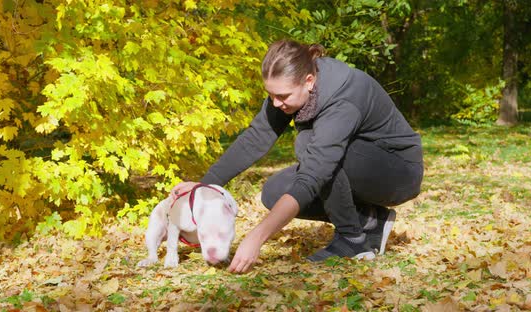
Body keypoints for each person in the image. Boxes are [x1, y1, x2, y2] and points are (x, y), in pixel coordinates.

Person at [171, 39, 424, 273]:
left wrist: (257, 236)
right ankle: (369, 221)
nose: (276, 103)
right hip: (360, 162)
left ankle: (352, 240)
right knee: (274, 191)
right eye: (271, 95)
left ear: (309, 81)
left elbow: (315, 174)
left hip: (397, 171)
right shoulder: (291, 91)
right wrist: (204, 186)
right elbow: (255, 138)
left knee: (307, 143)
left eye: (282, 96)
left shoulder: (342, 97)